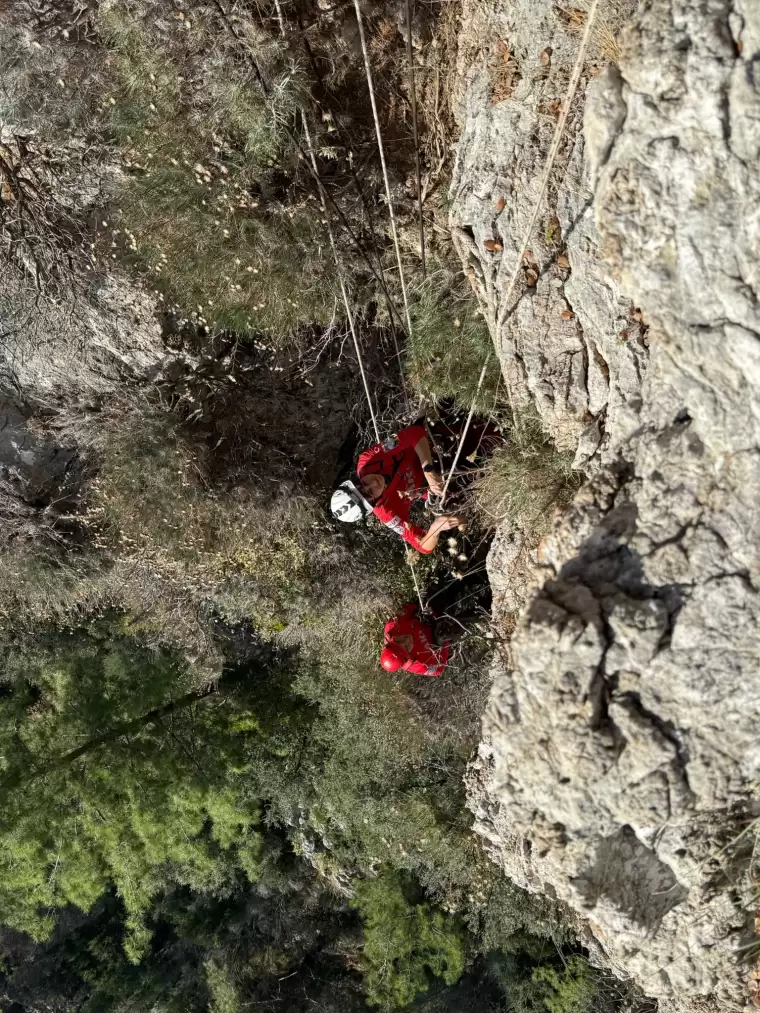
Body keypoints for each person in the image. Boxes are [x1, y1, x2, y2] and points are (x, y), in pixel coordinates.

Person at [330, 423, 462, 554]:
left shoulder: (368, 460)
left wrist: (429, 472)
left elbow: (414, 433)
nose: (374, 483)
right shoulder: (387, 513)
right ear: (373, 503)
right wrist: (436, 528)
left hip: (428, 447)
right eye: (370, 492)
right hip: (434, 488)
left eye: (362, 484)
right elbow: (423, 546)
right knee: (459, 505)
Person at [380, 602, 450, 678]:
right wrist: (444, 642)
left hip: (431, 617)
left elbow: (411, 607)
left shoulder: (393, 626)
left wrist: (420, 607)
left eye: (399, 641)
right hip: (441, 635)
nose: (406, 640)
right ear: (408, 658)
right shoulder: (418, 665)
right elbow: (438, 670)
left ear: (391, 640)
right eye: (406, 647)